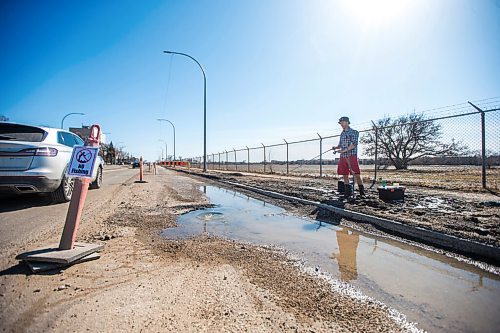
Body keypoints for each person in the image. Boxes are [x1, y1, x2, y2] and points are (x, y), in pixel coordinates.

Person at [333, 116, 365, 198]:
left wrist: (343, 150)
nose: (341, 124)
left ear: (347, 122)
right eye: (340, 123)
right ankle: (347, 192)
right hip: (343, 156)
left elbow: (353, 145)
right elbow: (340, 145)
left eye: (343, 122)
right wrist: (336, 147)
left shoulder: (354, 132)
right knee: (344, 174)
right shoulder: (342, 133)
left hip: (351, 155)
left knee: (356, 173)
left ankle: (362, 192)